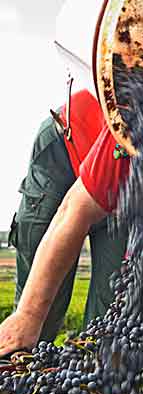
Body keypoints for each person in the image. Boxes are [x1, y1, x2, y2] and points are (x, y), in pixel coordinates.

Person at [0, 87, 130, 357]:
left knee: (110, 326)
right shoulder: (139, 126)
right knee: (34, 325)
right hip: (66, 156)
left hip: (123, 195)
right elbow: (74, 211)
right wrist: (28, 313)